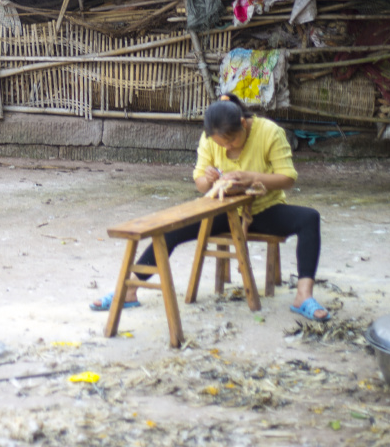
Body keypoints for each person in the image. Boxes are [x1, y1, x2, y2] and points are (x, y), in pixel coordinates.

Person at [91, 94, 330, 321]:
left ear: (243, 124)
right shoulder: (209, 138)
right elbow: (200, 184)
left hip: (264, 210)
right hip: (222, 212)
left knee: (309, 218)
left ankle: (303, 295)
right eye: (220, 143)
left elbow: (288, 179)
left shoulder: (270, 132)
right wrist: (210, 179)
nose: (226, 148)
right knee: (169, 229)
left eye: (232, 140)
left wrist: (250, 177)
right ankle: (129, 290)